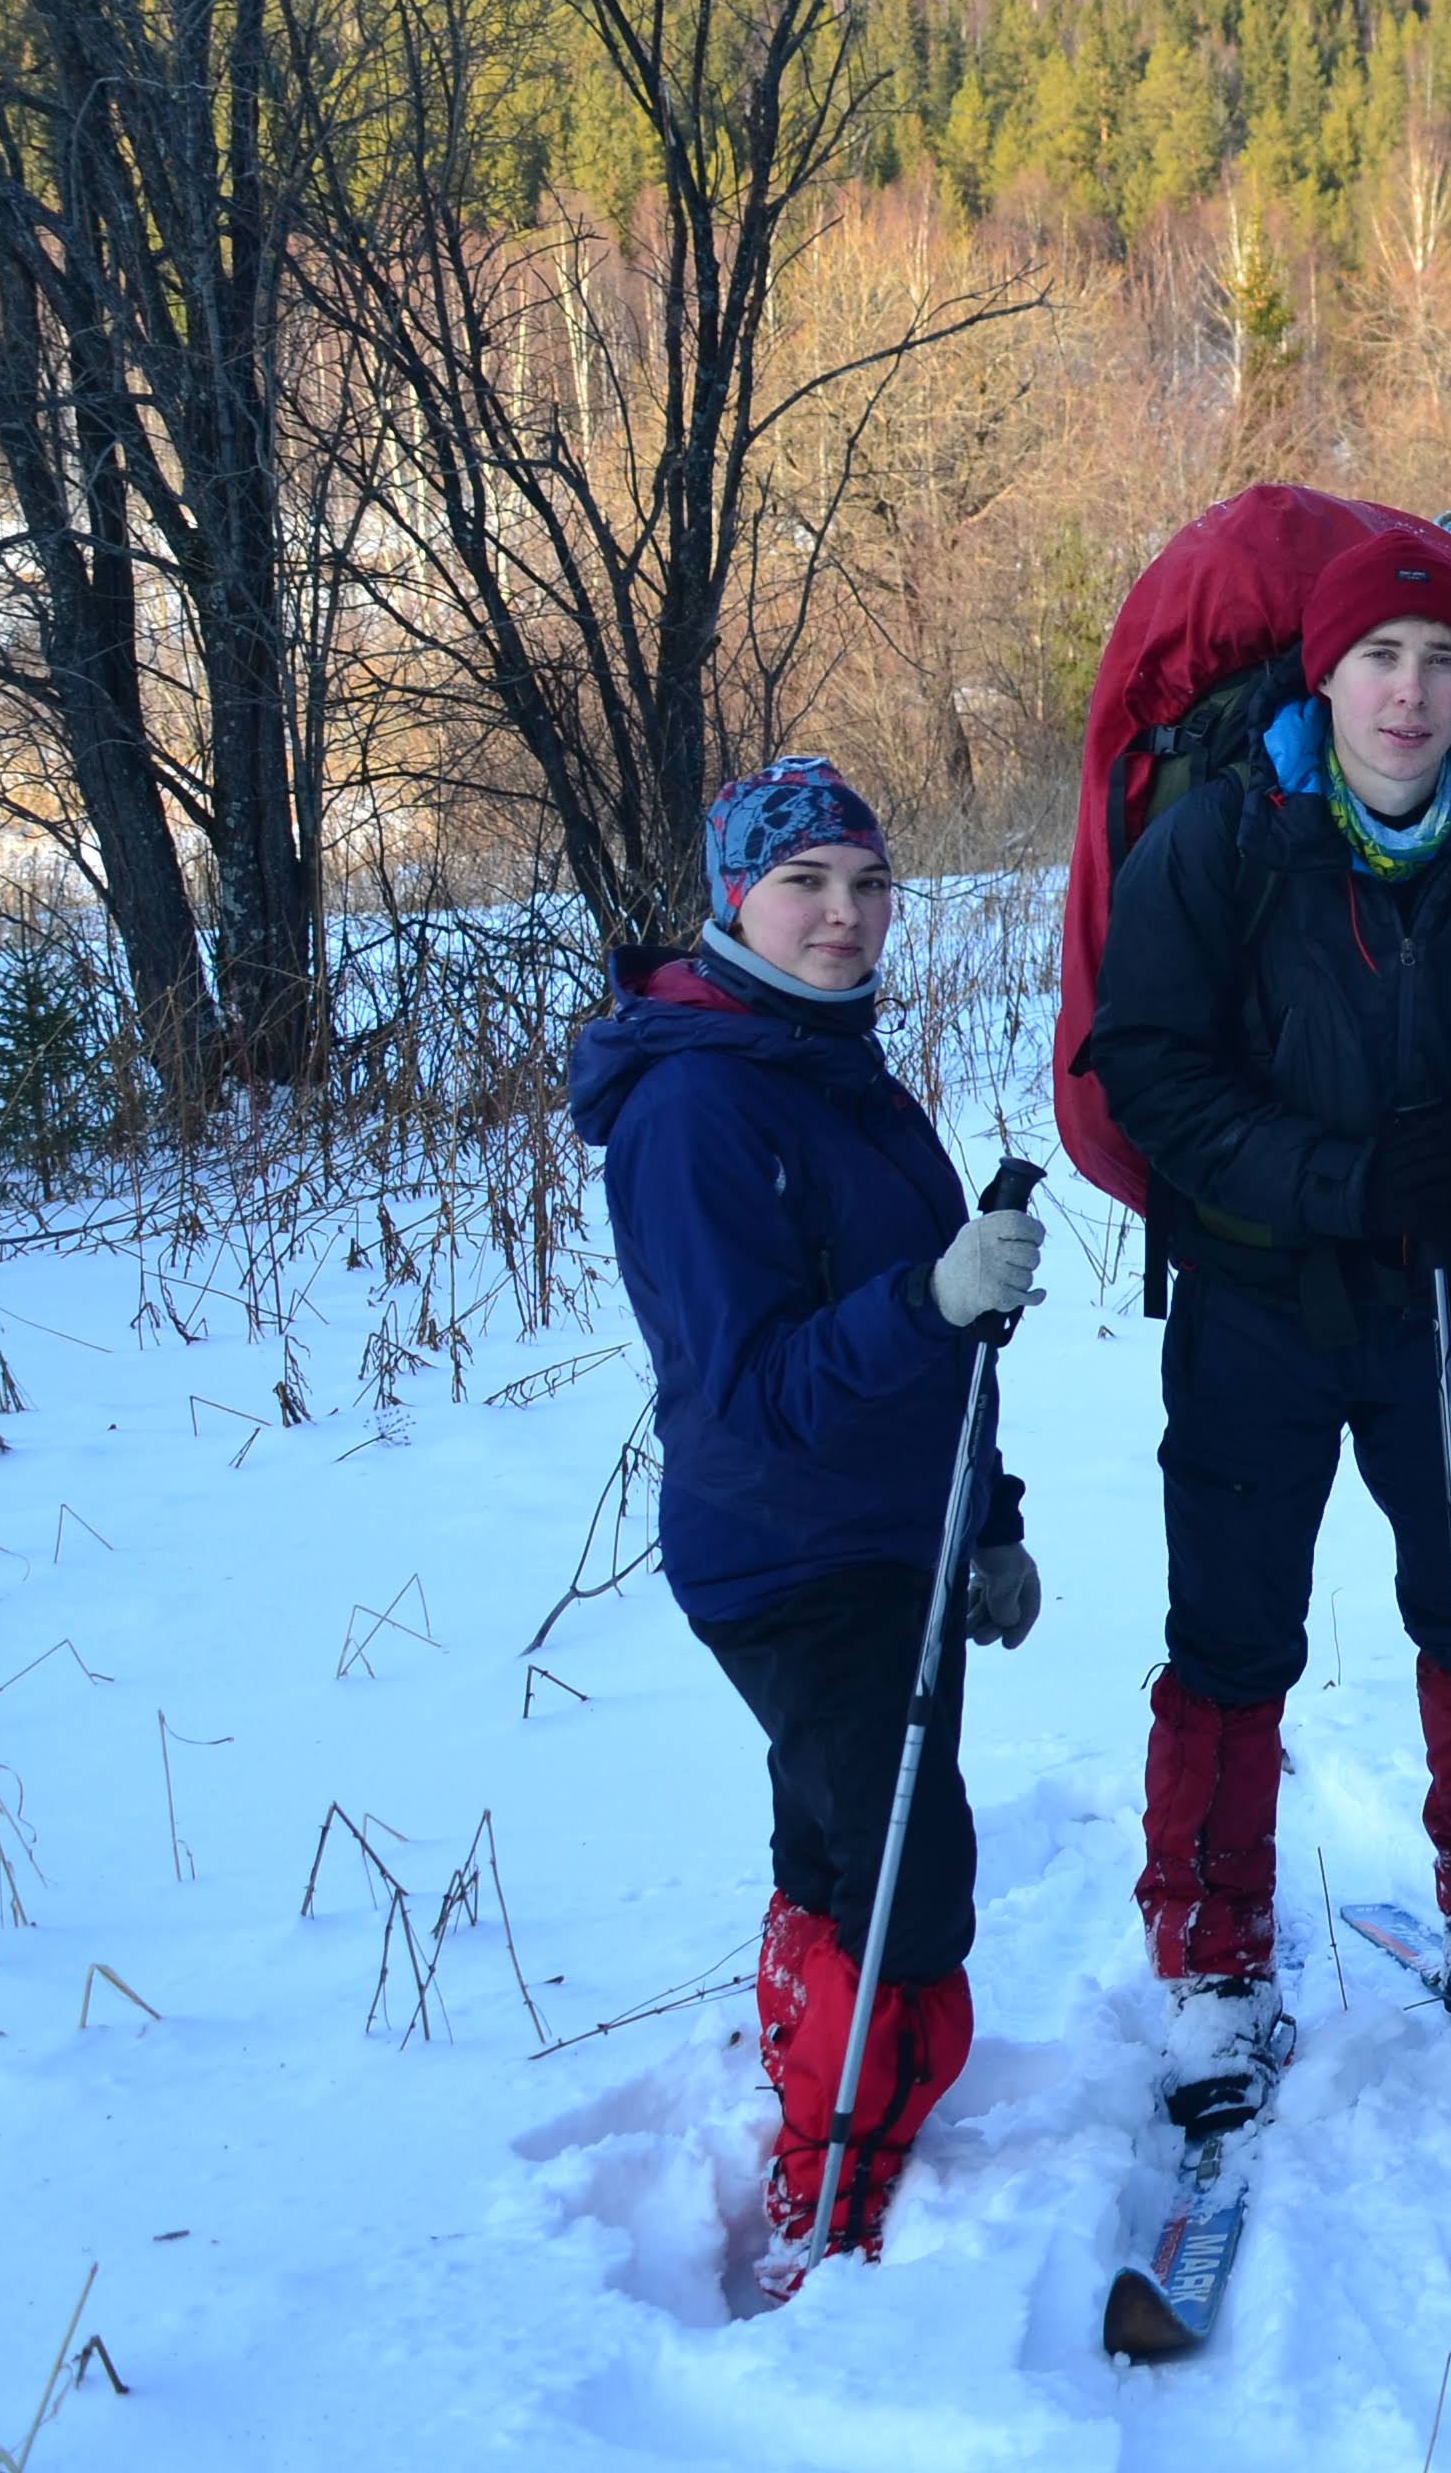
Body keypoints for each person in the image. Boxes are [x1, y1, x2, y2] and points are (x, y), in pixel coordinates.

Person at [1084, 517, 1451, 2121]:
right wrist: (1335, 1177)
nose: (1409, 693)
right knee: (1235, 1621)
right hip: (1255, 1291)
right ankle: (1210, 1956)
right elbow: (1150, 1067)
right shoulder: (1222, 842)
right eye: (1378, 660)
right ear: (1323, 676)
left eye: (1442, 661)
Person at [567, 756, 1047, 2287]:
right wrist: (928, 1294)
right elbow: (757, 1386)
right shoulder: (699, 1107)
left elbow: (937, 1367)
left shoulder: (836, 1066)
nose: (843, 917)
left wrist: (987, 1520)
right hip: (791, 1551)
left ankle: (810, 2039)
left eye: (867, 884)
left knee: (846, 1842)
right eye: (804, 886)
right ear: (733, 899)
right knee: (910, 1887)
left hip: (892, 1541)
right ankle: (828, 2180)